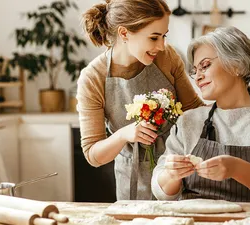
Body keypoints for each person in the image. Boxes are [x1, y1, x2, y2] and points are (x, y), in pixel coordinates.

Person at [151, 26, 250, 206]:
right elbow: (160, 191)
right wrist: (171, 175)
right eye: (195, 70)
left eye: (205, 65)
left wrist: (237, 168)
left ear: (237, 65)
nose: (197, 78)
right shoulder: (189, 120)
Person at [78, 0, 204, 201]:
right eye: (154, 37)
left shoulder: (167, 57)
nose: (161, 46)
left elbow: (195, 111)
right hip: (133, 181)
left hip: (178, 170)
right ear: (124, 33)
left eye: (164, 36)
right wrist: (123, 135)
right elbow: (94, 155)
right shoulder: (93, 77)